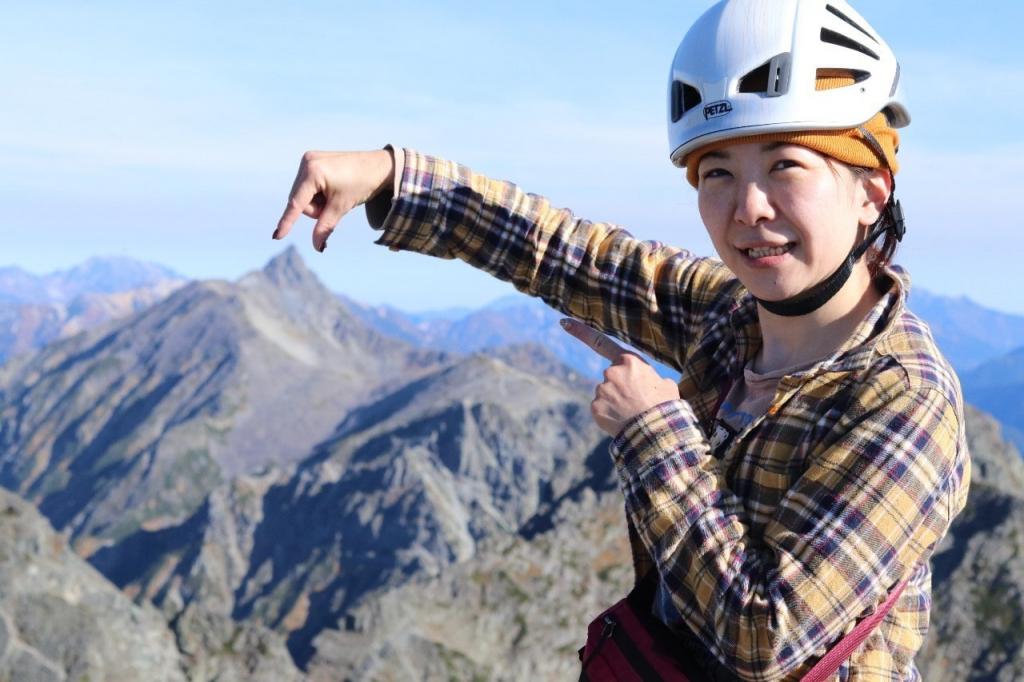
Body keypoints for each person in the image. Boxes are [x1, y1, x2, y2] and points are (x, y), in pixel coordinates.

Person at [272, 0, 970, 679]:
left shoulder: (904, 400)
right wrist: (394, 177)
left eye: (786, 165)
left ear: (871, 191)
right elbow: (569, 256)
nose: (748, 208)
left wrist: (656, 432)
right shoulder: (730, 318)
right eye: (718, 173)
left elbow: (763, 635)